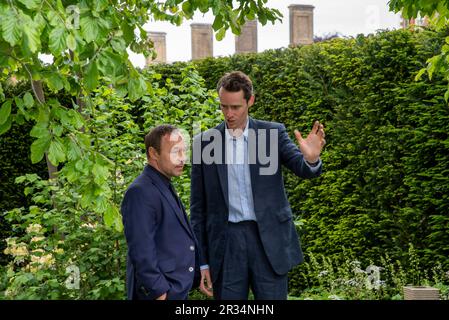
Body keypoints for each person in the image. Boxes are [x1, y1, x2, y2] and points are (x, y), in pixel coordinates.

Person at [190, 71, 325, 300]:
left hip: (268, 241)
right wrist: (202, 261)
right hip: (226, 244)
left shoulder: (272, 133)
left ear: (250, 101)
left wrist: (311, 158)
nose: (229, 114)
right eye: (224, 107)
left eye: (236, 107)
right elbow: (198, 209)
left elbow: (302, 168)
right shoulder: (205, 143)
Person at [121, 125, 199, 300]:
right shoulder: (140, 191)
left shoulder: (163, 183)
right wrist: (159, 292)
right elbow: (141, 251)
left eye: (184, 151)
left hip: (175, 289)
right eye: (175, 152)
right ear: (154, 153)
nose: (183, 158)